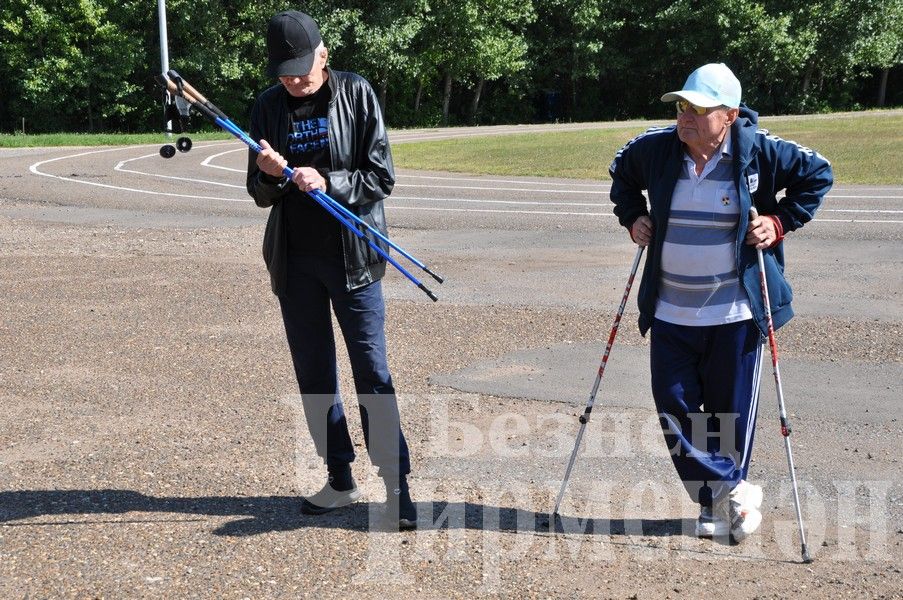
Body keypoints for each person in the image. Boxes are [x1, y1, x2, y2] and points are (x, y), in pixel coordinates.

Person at [609, 63, 832, 542]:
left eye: (699, 109)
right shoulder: (656, 148)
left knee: (727, 415)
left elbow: (819, 174)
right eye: (682, 106)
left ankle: (716, 503)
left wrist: (778, 221)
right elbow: (620, 174)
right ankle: (734, 490)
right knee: (675, 408)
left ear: (729, 115)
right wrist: (633, 216)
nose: (685, 117)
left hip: (736, 313)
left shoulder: (760, 150)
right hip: (671, 309)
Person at [246, 10, 416, 530]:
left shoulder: (357, 93)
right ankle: (339, 479)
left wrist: (329, 181)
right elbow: (258, 195)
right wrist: (270, 175)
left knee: (372, 373)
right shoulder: (267, 107)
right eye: (285, 72)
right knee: (314, 376)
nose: (295, 80)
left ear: (325, 54)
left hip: (353, 260)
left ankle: (395, 486)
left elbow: (380, 177)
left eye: (303, 68)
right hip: (295, 262)